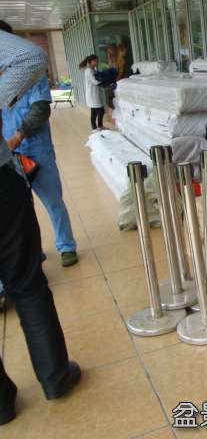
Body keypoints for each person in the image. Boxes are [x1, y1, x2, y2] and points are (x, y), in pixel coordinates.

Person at [0, 24, 81, 426]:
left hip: (27, 151)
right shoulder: (16, 65)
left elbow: (39, 108)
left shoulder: (26, 87)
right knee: (28, 284)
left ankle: (1, 404)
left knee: (53, 201)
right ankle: (54, 376)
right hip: (1, 181)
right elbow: (30, 56)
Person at [0, 22, 78, 268]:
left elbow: (41, 109)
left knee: (53, 200)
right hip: (8, 156)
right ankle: (33, 252)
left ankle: (66, 246)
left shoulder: (32, 73)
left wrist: (18, 137)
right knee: (22, 208)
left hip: (36, 149)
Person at [79, 54, 105, 130]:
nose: (97, 62)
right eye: (96, 61)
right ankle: (94, 128)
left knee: (101, 110)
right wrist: (105, 83)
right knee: (94, 111)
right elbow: (95, 81)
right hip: (92, 94)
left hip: (96, 93)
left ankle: (100, 126)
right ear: (92, 61)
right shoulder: (88, 70)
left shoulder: (93, 69)